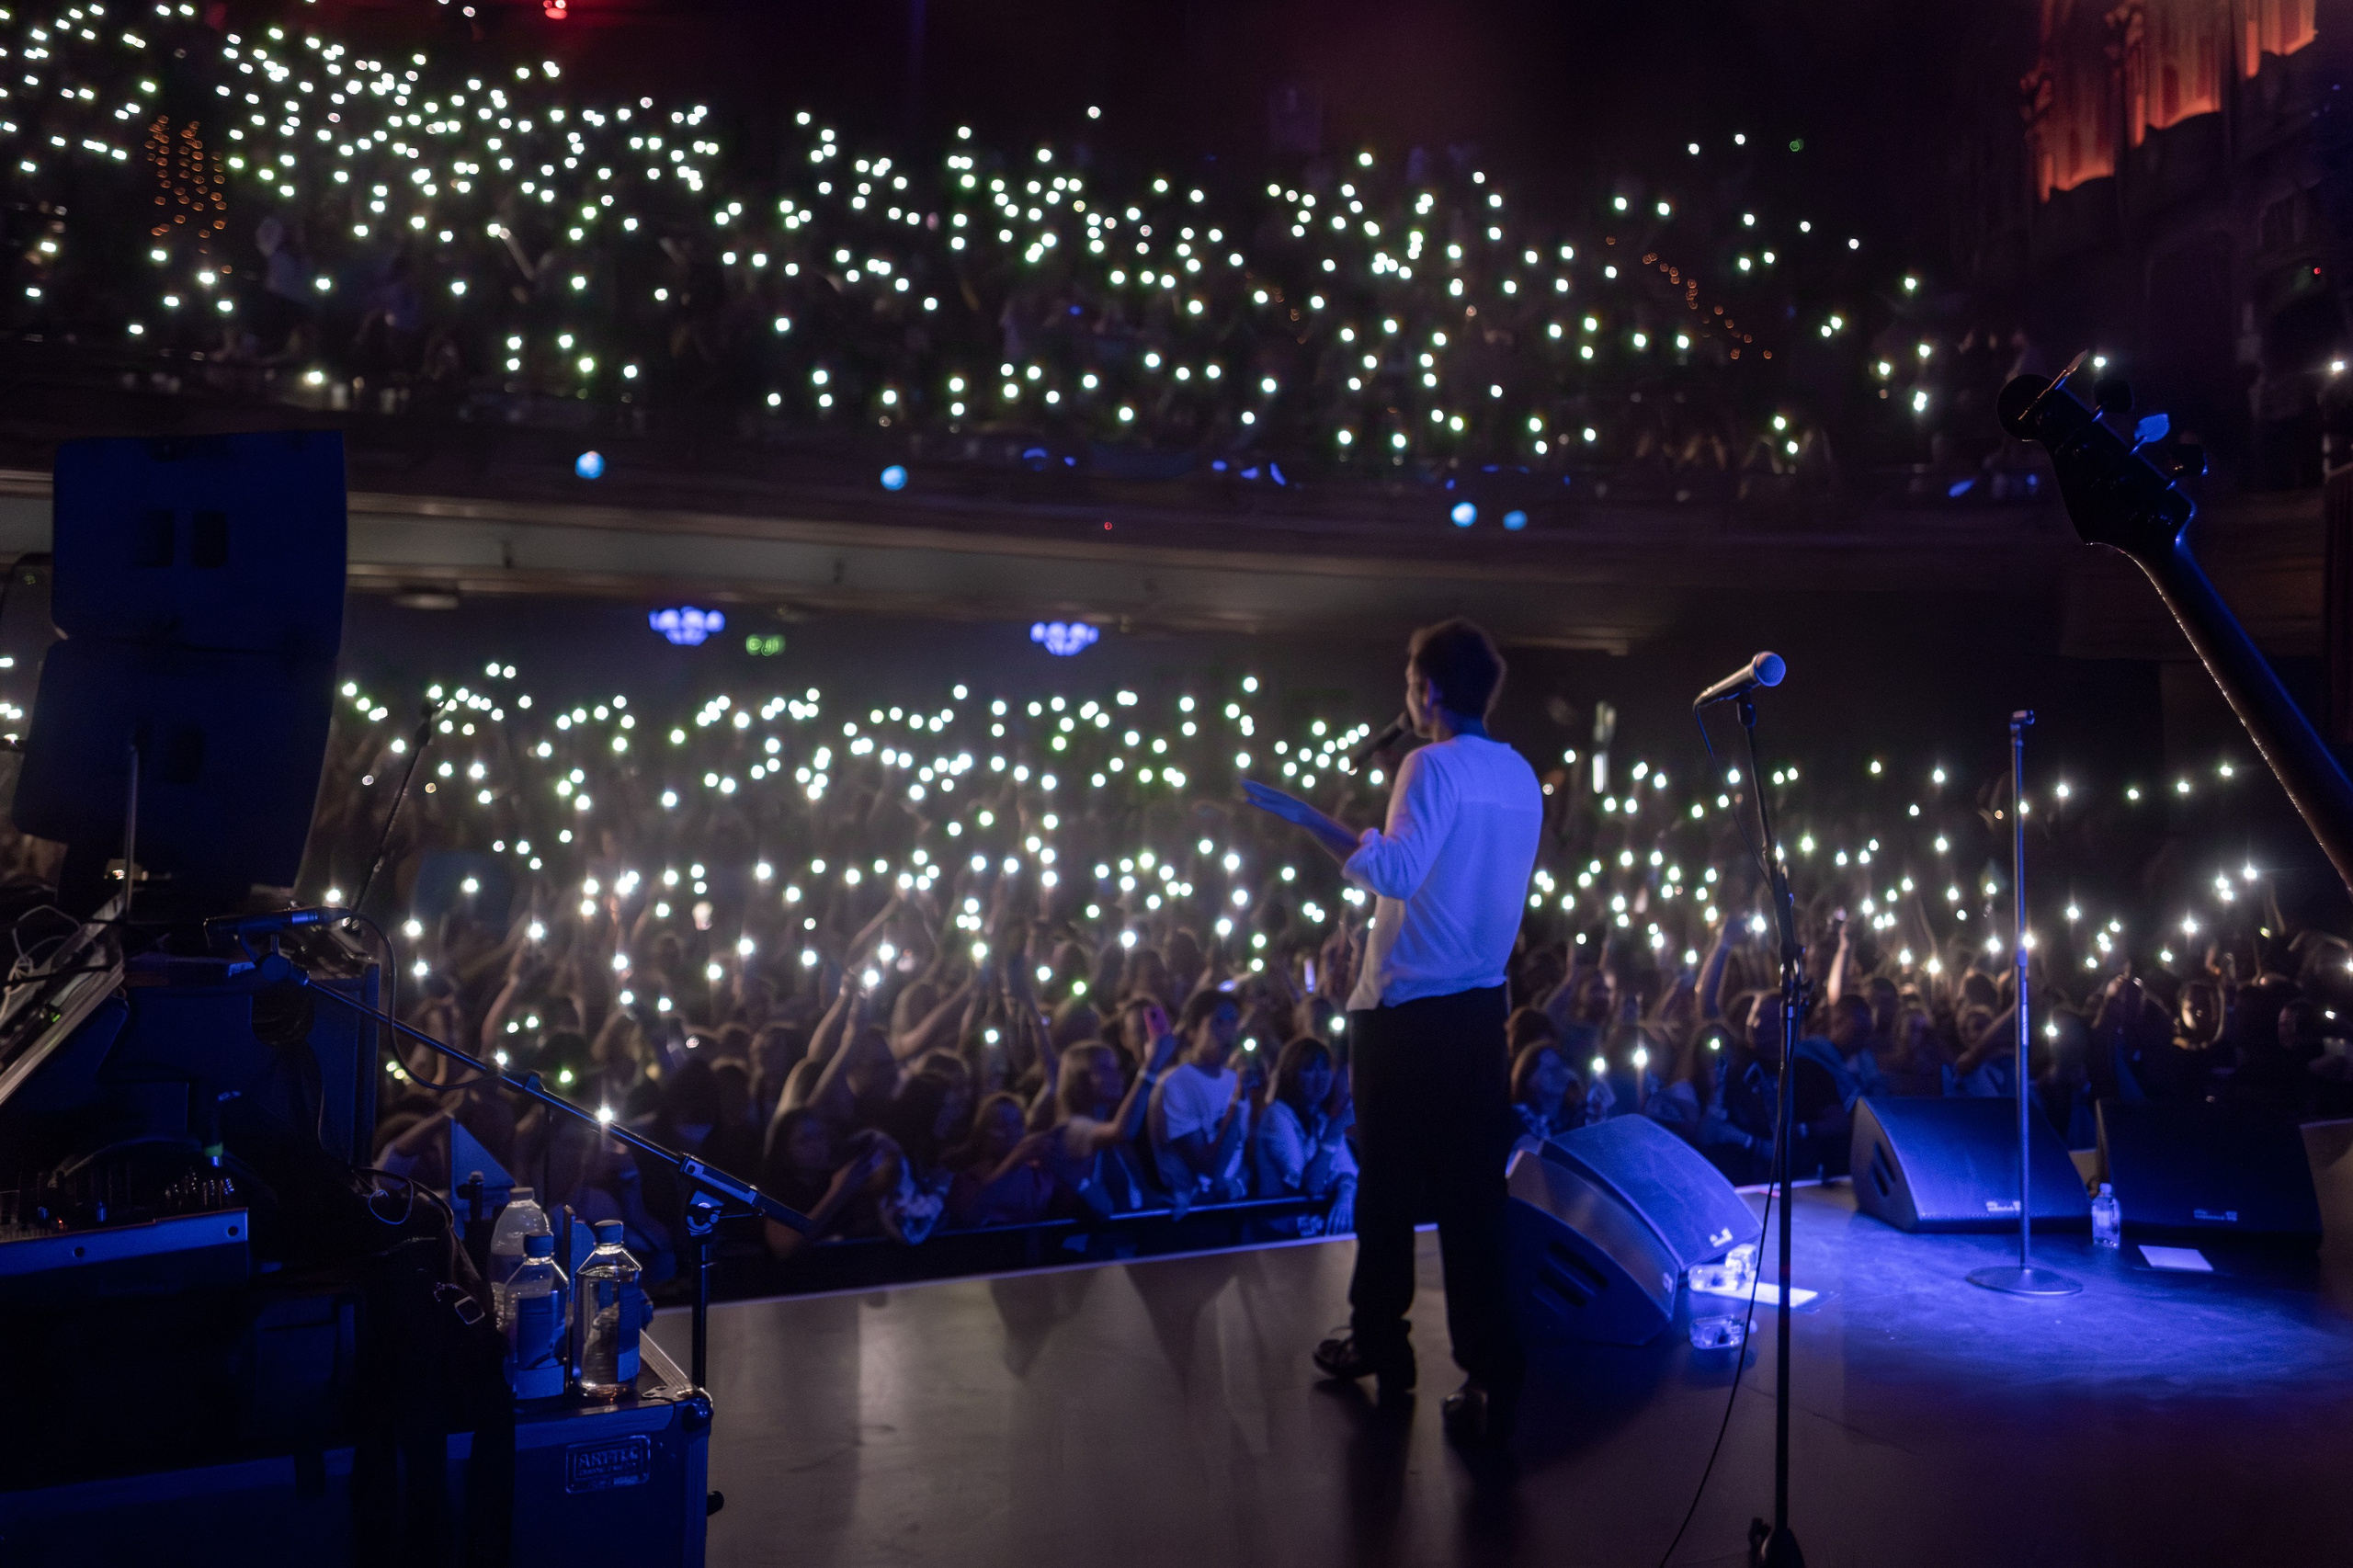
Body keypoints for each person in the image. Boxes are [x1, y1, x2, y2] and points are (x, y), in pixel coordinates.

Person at [1245, 617, 1540, 1445]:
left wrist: (1309, 818)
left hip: (1406, 1020)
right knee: (1473, 1204)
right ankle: (1493, 1374)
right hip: (1482, 1015)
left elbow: (1397, 872)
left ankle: (1383, 1345)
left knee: (1386, 1196)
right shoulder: (1518, 774)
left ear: (1428, 688)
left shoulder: (1426, 764)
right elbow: (1455, 873)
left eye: (1410, 675)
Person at [1146, 989, 1257, 1207]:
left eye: (1234, 1021)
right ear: (1192, 1032)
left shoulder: (1233, 1078)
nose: (1228, 1031)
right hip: (1194, 1219)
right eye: (1218, 1022)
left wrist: (1241, 1181)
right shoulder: (1176, 1083)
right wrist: (1236, 1101)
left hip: (1232, 1212)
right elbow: (1210, 1169)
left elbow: (1241, 1153)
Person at [1252, 1035, 1358, 1235]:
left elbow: (1348, 1171)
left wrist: (1346, 1193)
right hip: (1279, 1237)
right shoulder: (1276, 1116)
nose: (1321, 1077)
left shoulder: (1320, 1119)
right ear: (1290, 1075)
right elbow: (1309, 1187)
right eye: (1309, 1069)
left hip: (1312, 1233)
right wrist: (1334, 1132)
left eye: (1325, 1068)